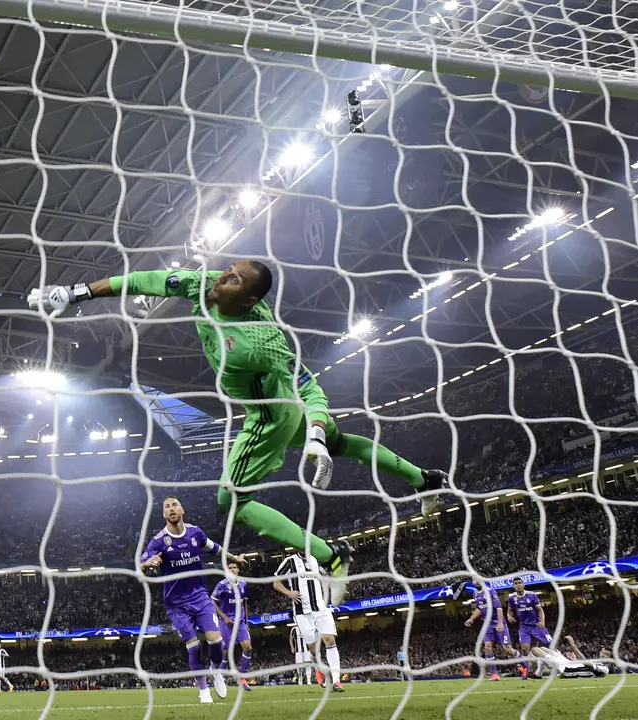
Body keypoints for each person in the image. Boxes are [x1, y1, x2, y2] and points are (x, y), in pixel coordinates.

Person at [28, 263, 450, 603]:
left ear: (249, 299)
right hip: (275, 400)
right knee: (343, 445)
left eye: (234, 279)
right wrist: (79, 293)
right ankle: (423, 478)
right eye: (227, 270)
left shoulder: (262, 340)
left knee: (232, 502)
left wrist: (316, 430)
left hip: (269, 414)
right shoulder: (203, 285)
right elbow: (144, 279)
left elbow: (307, 384)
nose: (222, 278)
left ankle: (330, 555)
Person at [141, 497, 246, 704]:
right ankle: (203, 691)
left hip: (200, 596)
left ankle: (215, 670)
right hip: (176, 603)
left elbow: (214, 548)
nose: (171, 509)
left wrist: (234, 559)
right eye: (167, 507)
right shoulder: (159, 541)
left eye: (174, 505)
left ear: (182, 509)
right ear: (163, 515)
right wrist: (148, 562)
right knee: (194, 645)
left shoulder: (195, 532)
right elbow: (142, 561)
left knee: (217, 641)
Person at [273, 552, 343, 691]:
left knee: (329, 639)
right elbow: (276, 582)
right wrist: (289, 593)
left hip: (320, 608)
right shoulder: (290, 561)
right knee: (313, 649)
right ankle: (318, 667)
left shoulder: (316, 559)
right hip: (302, 612)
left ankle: (336, 680)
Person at [210, 561, 252, 690]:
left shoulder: (243, 584)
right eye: (230, 568)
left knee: (248, 648)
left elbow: (245, 603)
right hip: (225, 622)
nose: (233, 569)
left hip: (240, 622)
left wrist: (246, 620)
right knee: (225, 651)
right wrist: (224, 617)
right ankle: (219, 676)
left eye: (235, 567)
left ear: (238, 570)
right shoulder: (222, 585)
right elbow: (212, 602)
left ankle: (242, 677)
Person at [465, 580, 517, 680]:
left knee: (508, 650)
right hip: (487, 624)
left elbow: (498, 608)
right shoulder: (475, 594)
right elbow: (480, 608)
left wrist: (500, 622)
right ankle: (495, 674)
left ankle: (525, 665)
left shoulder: (491, 591)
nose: (476, 581)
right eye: (473, 580)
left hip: (497, 622)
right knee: (488, 647)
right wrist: (471, 619)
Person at [530, 635, 609, 678]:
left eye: (606, 654)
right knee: (543, 648)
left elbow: (586, 663)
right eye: (602, 652)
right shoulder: (598, 663)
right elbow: (584, 662)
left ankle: (538, 673)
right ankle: (538, 673)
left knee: (535, 650)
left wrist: (573, 646)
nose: (603, 654)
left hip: (568, 669)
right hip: (570, 664)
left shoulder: (604, 669)